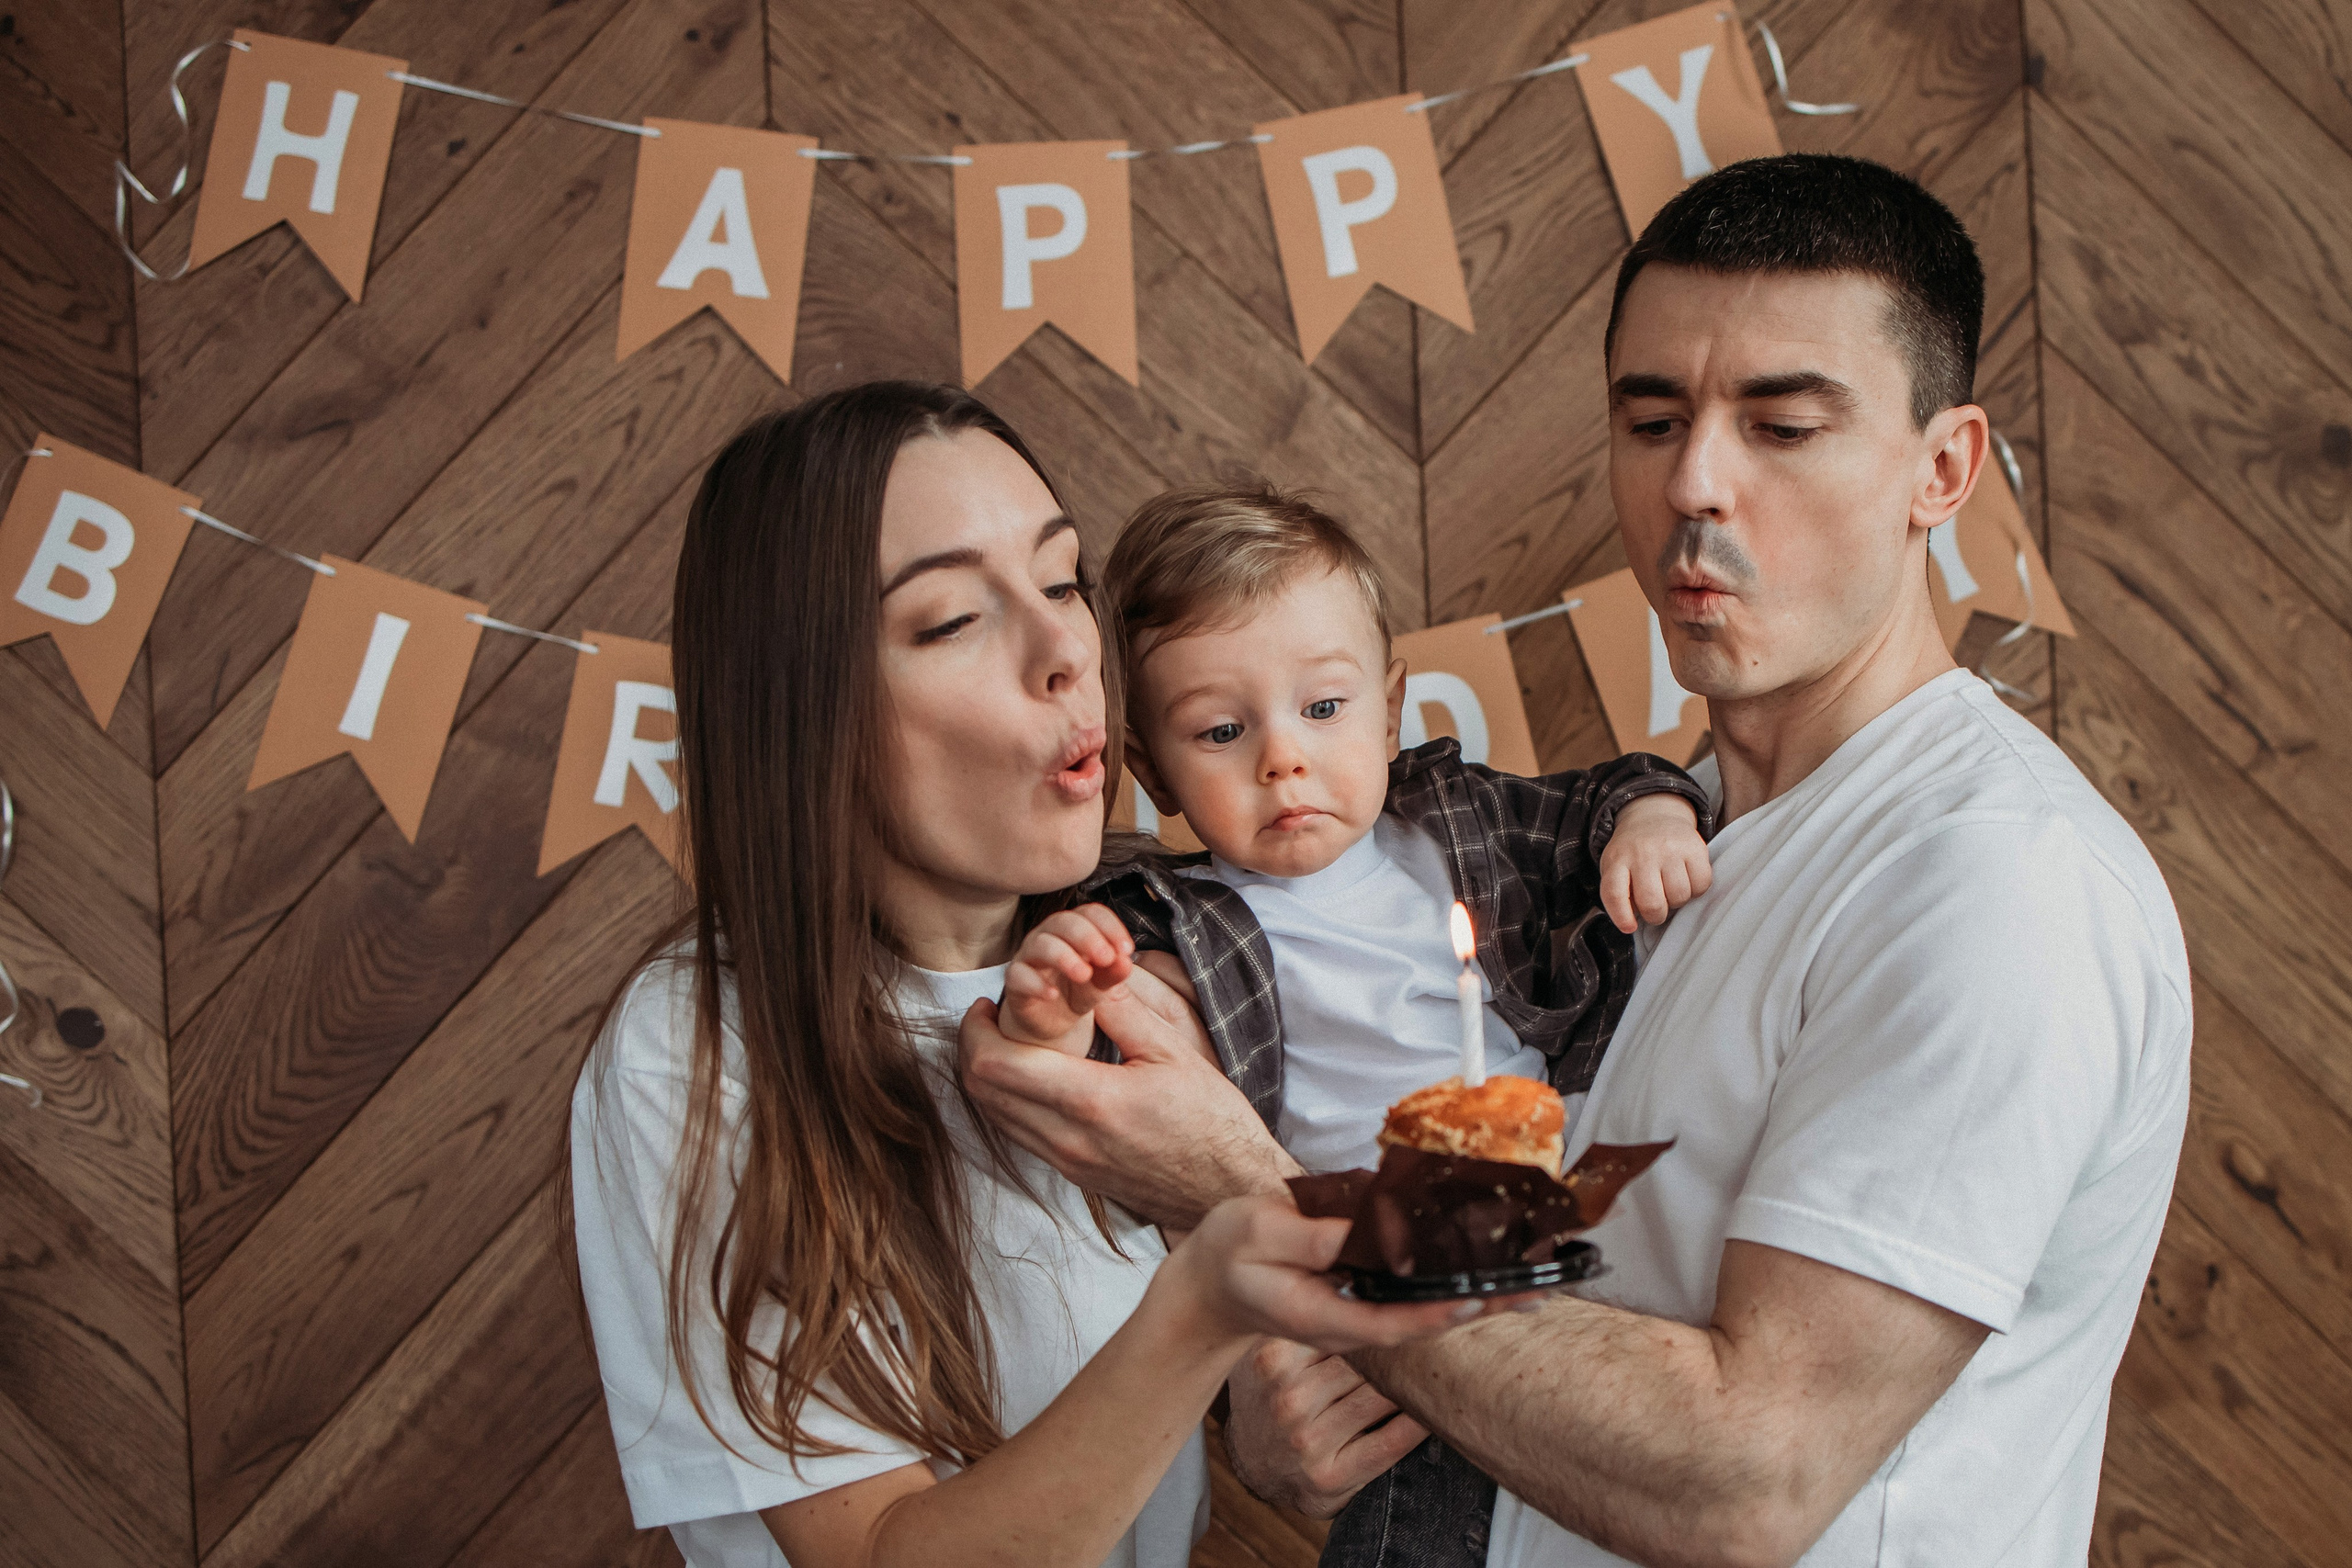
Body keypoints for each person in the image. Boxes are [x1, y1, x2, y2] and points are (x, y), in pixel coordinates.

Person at [959, 154, 2194, 1567]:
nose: (1697, 483)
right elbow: (1555, 1309)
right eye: (1653, 417)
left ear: (1943, 468)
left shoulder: (1988, 879)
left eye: (1783, 424)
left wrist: (1255, 1201)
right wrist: (1305, 1382)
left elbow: (1746, 1478)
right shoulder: (1629, 856)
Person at [568, 382, 1513, 1568]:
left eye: (1065, 580)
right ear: (807, 705)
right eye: (956, 618)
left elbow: (1151, 1405)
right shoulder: (694, 1052)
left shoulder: (1164, 950)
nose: (1068, 648)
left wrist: (1262, 1428)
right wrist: (1215, 1295)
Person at [991, 481, 1714, 1181]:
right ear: (1153, 772)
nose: (1283, 759)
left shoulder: (1457, 820)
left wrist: (1651, 815)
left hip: (1543, 1152)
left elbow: (1598, 799)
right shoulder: (1165, 922)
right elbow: (1121, 1082)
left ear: (1390, 712)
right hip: (1357, 1222)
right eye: (1222, 730)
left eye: (1325, 708)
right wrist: (1058, 1020)